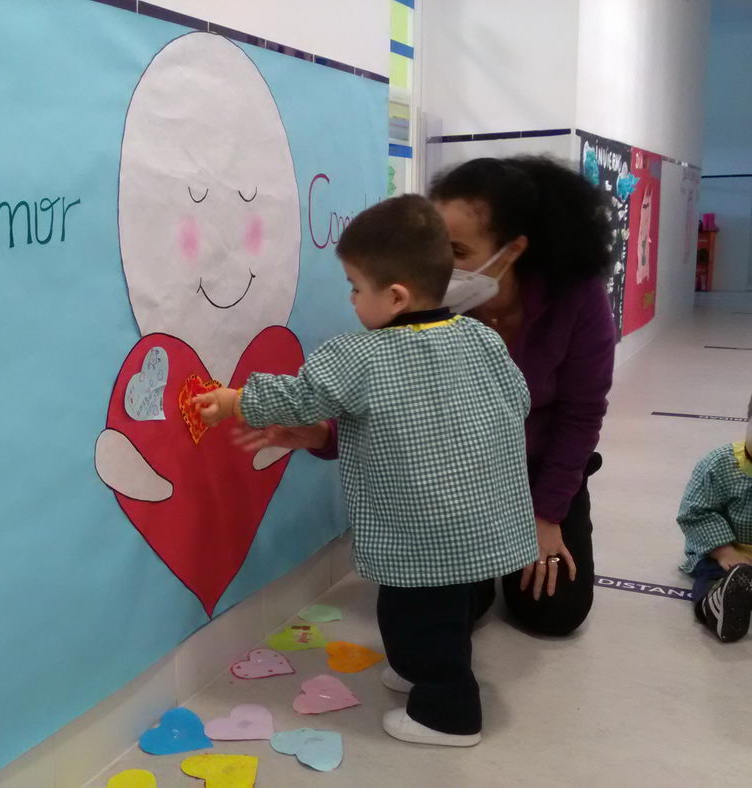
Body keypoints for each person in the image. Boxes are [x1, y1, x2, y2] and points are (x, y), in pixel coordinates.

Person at [195, 195, 537, 747]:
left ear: (395, 296)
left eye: (356, 287)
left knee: (417, 614)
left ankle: (447, 714)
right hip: (481, 516)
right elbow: (517, 400)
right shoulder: (481, 337)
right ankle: (416, 667)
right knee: (440, 610)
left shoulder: (361, 356)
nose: (351, 299)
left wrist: (237, 401)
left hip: (421, 526)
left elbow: (304, 396)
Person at [241, 156, 616, 638]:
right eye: (437, 245)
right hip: (455, 473)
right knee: (452, 605)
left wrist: (545, 515)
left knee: (554, 612)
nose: (440, 264)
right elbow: (384, 393)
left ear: (513, 249)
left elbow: (580, 417)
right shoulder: (426, 302)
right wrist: (321, 435)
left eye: (458, 250)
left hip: (541, 468)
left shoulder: (577, 298)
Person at [676, 394, 752, 642]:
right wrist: (724, 551)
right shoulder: (719, 464)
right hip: (721, 552)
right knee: (712, 575)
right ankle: (713, 605)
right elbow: (695, 512)